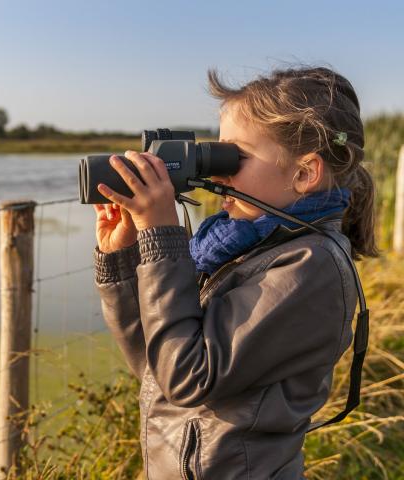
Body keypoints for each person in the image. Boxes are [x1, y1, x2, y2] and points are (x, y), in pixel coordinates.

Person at [92, 66, 378, 479]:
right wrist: (121, 258)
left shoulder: (309, 268)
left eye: (234, 157)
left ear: (304, 173)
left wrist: (162, 236)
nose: (217, 172)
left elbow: (187, 376)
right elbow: (157, 365)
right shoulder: (237, 248)